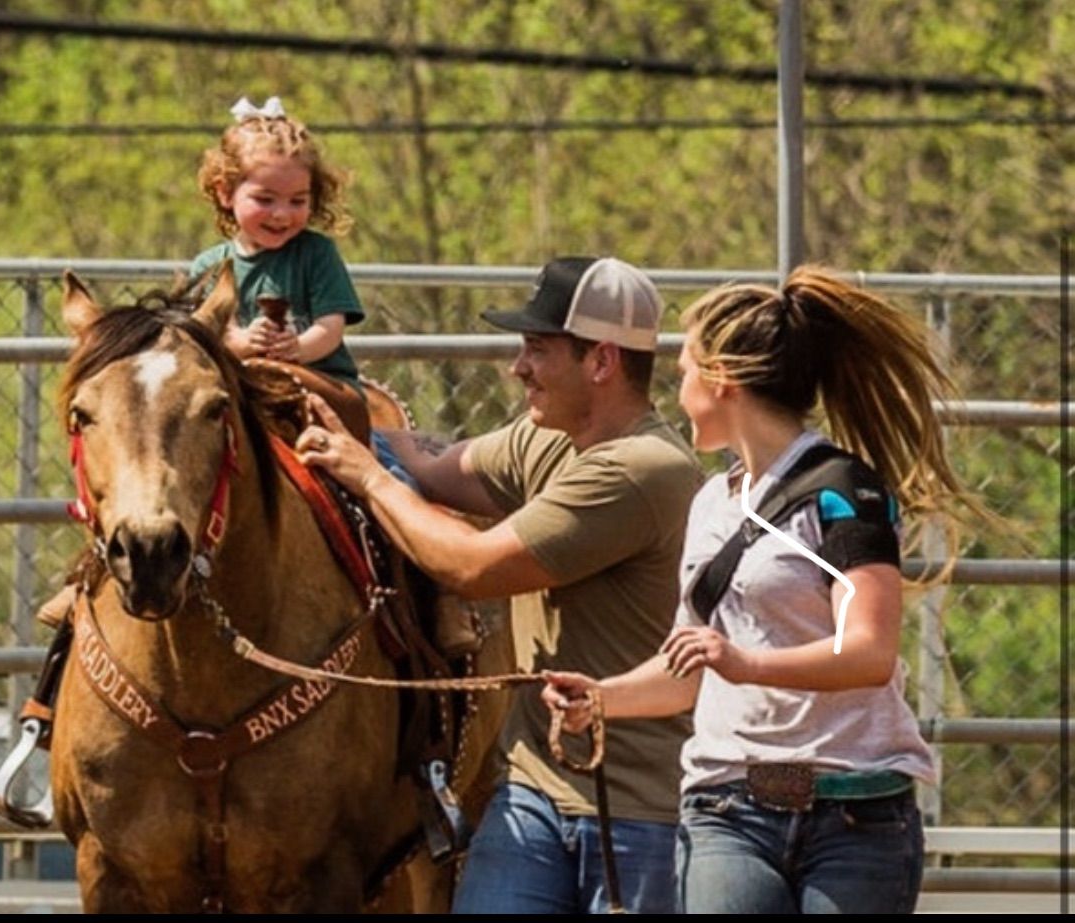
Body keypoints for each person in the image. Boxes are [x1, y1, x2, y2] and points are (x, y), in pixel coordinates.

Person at [543, 265, 989, 914]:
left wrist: (744, 663)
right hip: (728, 805)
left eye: (684, 373)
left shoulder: (843, 491)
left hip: (853, 813)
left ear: (721, 380)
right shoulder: (708, 505)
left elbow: (867, 652)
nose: (678, 391)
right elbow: (687, 669)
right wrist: (599, 698)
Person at [296, 256, 704, 914]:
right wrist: (326, 419)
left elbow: (473, 568)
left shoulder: (641, 469)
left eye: (537, 349)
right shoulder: (548, 440)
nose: (517, 367)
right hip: (531, 791)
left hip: (633, 812)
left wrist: (366, 476)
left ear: (600, 361)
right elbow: (428, 465)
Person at [190, 95, 371, 442]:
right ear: (226, 193)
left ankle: (371, 490)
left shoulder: (316, 253)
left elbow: (330, 327)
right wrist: (242, 342)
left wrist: (298, 348)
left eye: (297, 201)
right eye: (265, 199)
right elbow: (208, 337)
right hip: (240, 392)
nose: (282, 214)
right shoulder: (210, 266)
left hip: (319, 387)